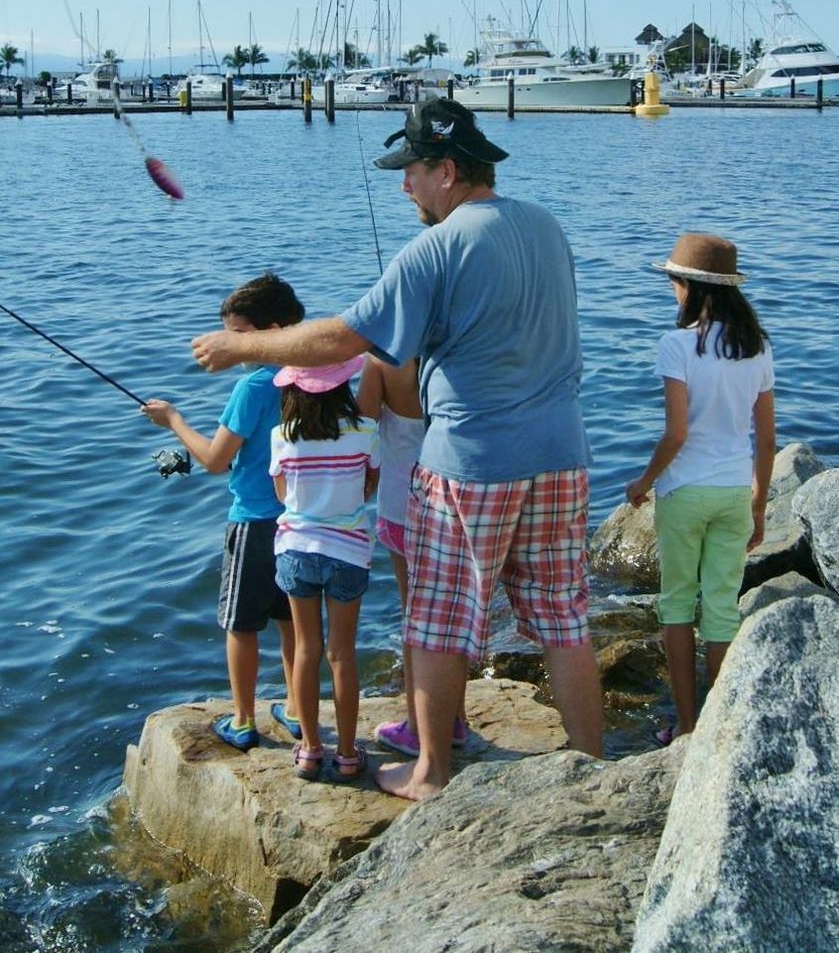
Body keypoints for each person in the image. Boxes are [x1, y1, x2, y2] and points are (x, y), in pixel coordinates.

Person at [191, 98, 604, 800]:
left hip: (472, 459)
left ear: (445, 169)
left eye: (409, 171)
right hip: (564, 452)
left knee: (437, 622)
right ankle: (593, 773)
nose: (402, 186)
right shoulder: (545, 226)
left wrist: (242, 346)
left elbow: (339, 340)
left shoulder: (437, 247)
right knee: (563, 618)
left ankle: (430, 773)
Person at [142, 272, 304, 752]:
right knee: (291, 620)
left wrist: (172, 419)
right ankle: (297, 710)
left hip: (254, 520)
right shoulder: (309, 377)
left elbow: (215, 460)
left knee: (240, 625)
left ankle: (242, 719)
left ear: (269, 330)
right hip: (298, 518)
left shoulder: (252, 387)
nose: (228, 344)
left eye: (236, 334)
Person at [625, 233, 775, 745]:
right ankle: (720, 727)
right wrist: (759, 504)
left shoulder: (677, 345)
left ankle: (688, 725)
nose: (671, 287)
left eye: (673, 280)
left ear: (689, 286)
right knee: (721, 608)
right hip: (735, 492)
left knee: (675, 607)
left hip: (685, 492)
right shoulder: (757, 348)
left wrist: (643, 482)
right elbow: (767, 438)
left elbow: (677, 433)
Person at [270, 357, 380, 780]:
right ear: (341, 388)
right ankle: (349, 754)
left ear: (293, 393)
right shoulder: (365, 432)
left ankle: (311, 749)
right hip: (349, 551)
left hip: (296, 549)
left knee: (305, 649)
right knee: (341, 653)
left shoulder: (282, 436)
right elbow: (369, 487)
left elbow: (283, 496)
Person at [356, 355, 468, 757]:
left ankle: (418, 725)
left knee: (415, 616)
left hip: (402, 505)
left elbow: (361, 423)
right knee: (453, 613)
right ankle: (456, 718)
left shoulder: (381, 362)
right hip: (457, 501)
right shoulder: (454, 350)